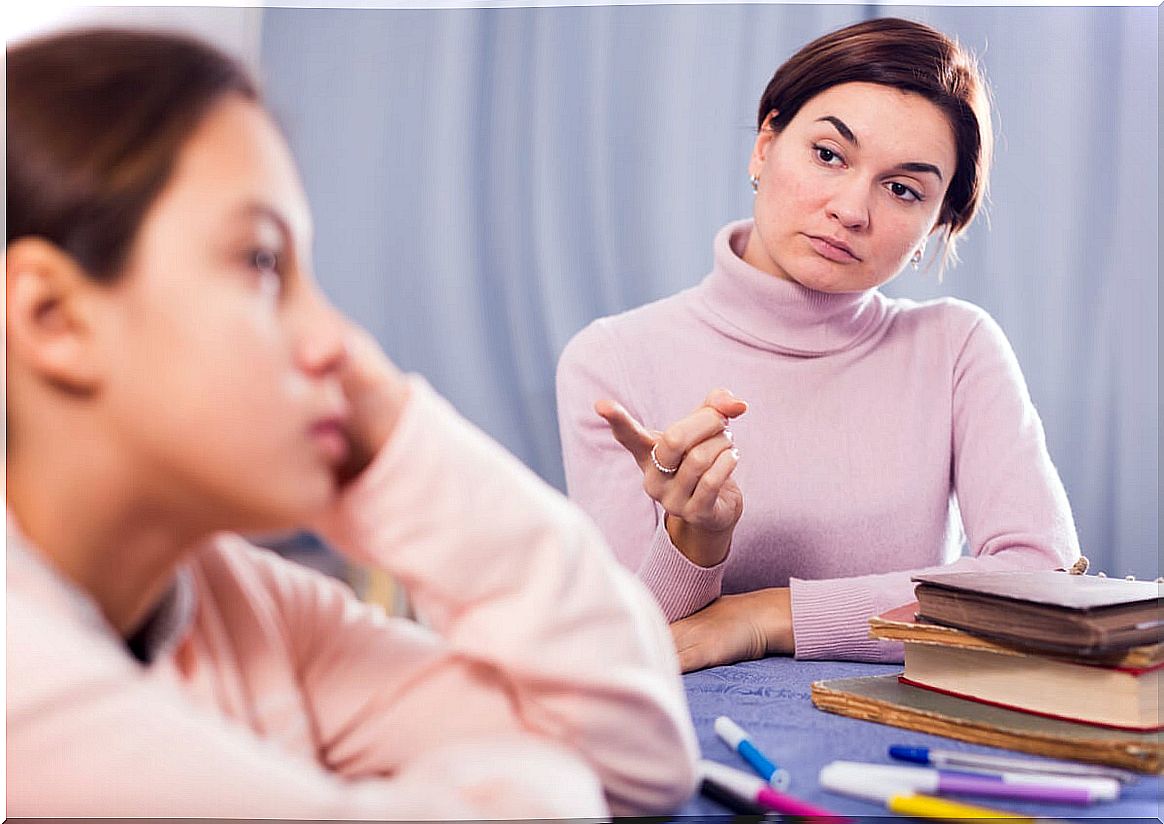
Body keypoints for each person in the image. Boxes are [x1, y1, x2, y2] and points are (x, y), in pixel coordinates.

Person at [5, 27, 698, 818]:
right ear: (53, 316)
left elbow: (635, 764)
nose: (342, 344)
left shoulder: (243, 603)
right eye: (262, 262)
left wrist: (397, 451)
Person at [556, 17, 1080, 673]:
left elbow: (1039, 582)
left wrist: (768, 616)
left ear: (934, 225)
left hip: (912, 730)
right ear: (765, 143)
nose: (851, 209)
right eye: (829, 155)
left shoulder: (956, 346)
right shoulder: (612, 359)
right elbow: (624, 644)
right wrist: (698, 542)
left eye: (902, 189)